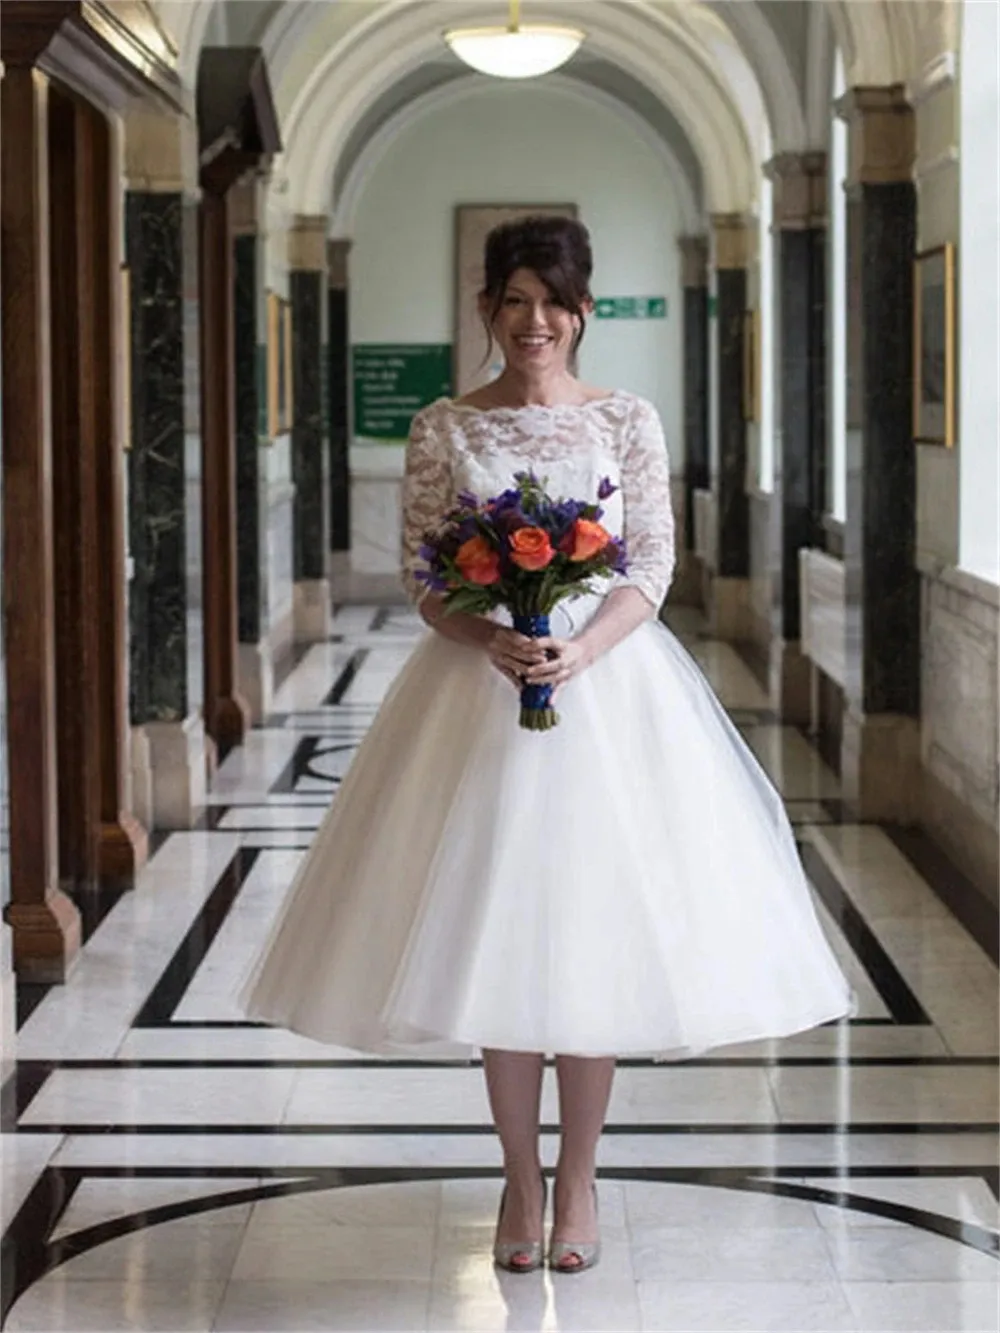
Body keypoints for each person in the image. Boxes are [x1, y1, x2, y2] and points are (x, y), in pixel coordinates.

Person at [237, 215, 856, 1275]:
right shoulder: (445, 427)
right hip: (476, 699)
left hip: (609, 697)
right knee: (498, 933)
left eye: (553, 302)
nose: (534, 321)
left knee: (589, 937)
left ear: (583, 311)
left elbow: (649, 563)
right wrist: (492, 635)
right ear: (487, 310)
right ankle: (518, 1177)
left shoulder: (627, 418)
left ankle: (580, 1179)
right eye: (513, 300)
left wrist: (582, 651)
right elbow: (428, 575)